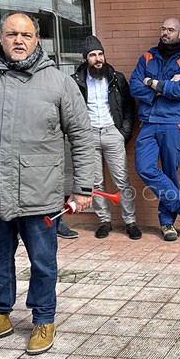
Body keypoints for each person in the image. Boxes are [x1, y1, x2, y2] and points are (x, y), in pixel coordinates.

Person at [0, 11, 94, 355]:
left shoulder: (59, 82)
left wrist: (83, 187)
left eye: (26, 35)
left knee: (44, 261)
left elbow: (83, 138)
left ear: (37, 40)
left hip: (40, 194)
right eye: (12, 34)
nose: (18, 41)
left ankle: (43, 319)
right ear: (0, 37)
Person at [130, 18, 180, 241]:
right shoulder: (147, 56)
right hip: (149, 121)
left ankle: (167, 223)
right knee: (144, 167)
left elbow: (179, 89)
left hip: (173, 122)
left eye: (170, 30)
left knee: (169, 173)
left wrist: (150, 82)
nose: (165, 33)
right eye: (163, 29)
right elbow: (134, 86)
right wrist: (162, 88)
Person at [71, 35, 139, 240]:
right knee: (96, 182)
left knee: (122, 180)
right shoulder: (75, 82)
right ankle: (104, 220)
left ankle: (131, 222)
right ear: (85, 58)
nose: (98, 58)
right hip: (88, 135)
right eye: (93, 55)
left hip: (112, 132)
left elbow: (128, 107)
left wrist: (123, 133)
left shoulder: (116, 78)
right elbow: (70, 111)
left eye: (100, 54)